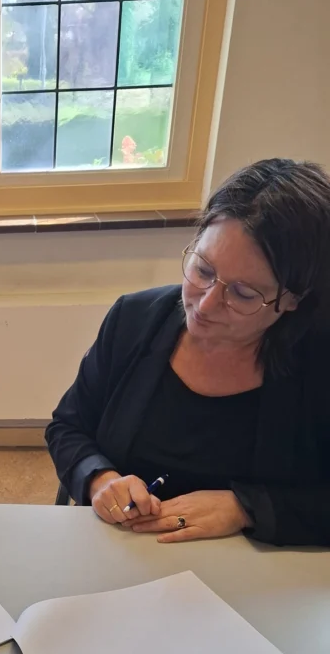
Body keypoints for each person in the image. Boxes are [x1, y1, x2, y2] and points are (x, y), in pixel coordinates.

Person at [46, 158, 330, 547]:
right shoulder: (134, 318)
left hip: (254, 566)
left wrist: (246, 508)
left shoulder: (318, 361)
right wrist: (100, 478)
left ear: (294, 299)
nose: (206, 304)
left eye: (244, 293)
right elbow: (67, 426)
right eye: (203, 270)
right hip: (124, 551)